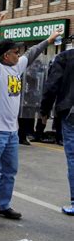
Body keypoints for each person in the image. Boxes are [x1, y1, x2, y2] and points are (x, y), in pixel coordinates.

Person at [0, 6, 61, 229]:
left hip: (11, 132)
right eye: (15, 52)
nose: (19, 55)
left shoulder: (17, 67)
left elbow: (33, 53)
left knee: (9, 171)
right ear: (6, 55)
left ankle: (1, 205)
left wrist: (50, 39)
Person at [40, 44, 74, 215]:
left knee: (73, 157)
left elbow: (52, 85)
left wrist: (44, 111)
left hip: (71, 112)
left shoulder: (65, 58)